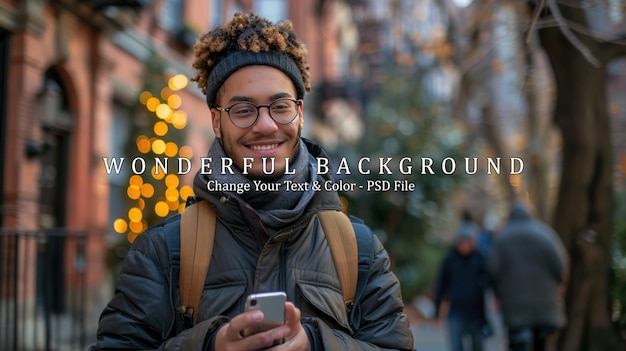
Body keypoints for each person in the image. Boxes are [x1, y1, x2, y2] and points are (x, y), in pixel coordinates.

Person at [89, 12, 415, 351]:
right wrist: (210, 346)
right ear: (216, 122)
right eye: (243, 110)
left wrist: (316, 344)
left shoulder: (358, 249)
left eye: (280, 106)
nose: (265, 125)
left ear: (300, 114)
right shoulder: (163, 251)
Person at [487, 199, 568, 351]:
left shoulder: (502, 238)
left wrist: (498, 294)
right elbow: (560, 266)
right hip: (544, 301)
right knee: (541, 342)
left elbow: (492, 270)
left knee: (517, 340)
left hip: (514, 304)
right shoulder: (546, 234)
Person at [434, 211, 489, 351]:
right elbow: (442, 284)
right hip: (456, 311)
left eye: (468, 242)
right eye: (462, 242)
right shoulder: (450, 259)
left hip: (476, 312)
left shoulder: (480, 259)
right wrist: (437, 308)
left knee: (478, 346)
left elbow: (489, 281)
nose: (464, 246)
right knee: (456, 345)